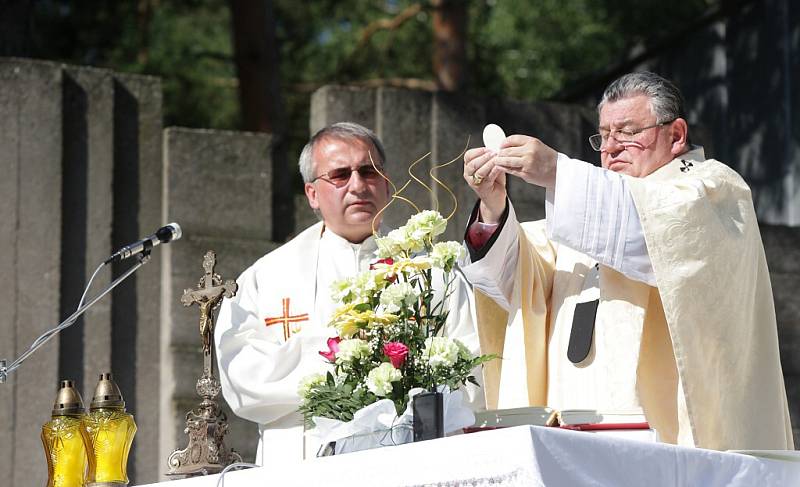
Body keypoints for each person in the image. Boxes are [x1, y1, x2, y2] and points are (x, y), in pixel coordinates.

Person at [460, 71, 793, 451]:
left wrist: (555, 171)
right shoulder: (581, 213)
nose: (611, 147)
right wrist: (492, 204)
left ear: (677, 134)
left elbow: (657, 232)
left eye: (629, 131)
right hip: (570, 426)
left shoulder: (713, 191)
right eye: (604, 135)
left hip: (667, 434)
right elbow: (513, 283)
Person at [214, 122, 481, 466]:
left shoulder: (432, 273)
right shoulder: (266, 277)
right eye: (340, 175)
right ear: (312, 193)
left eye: (368, 171)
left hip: (413, 463)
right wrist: (342, 356)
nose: (358, 186)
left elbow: (472, 366)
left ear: (386, 184)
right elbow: (241, 380)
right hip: (305, 467)